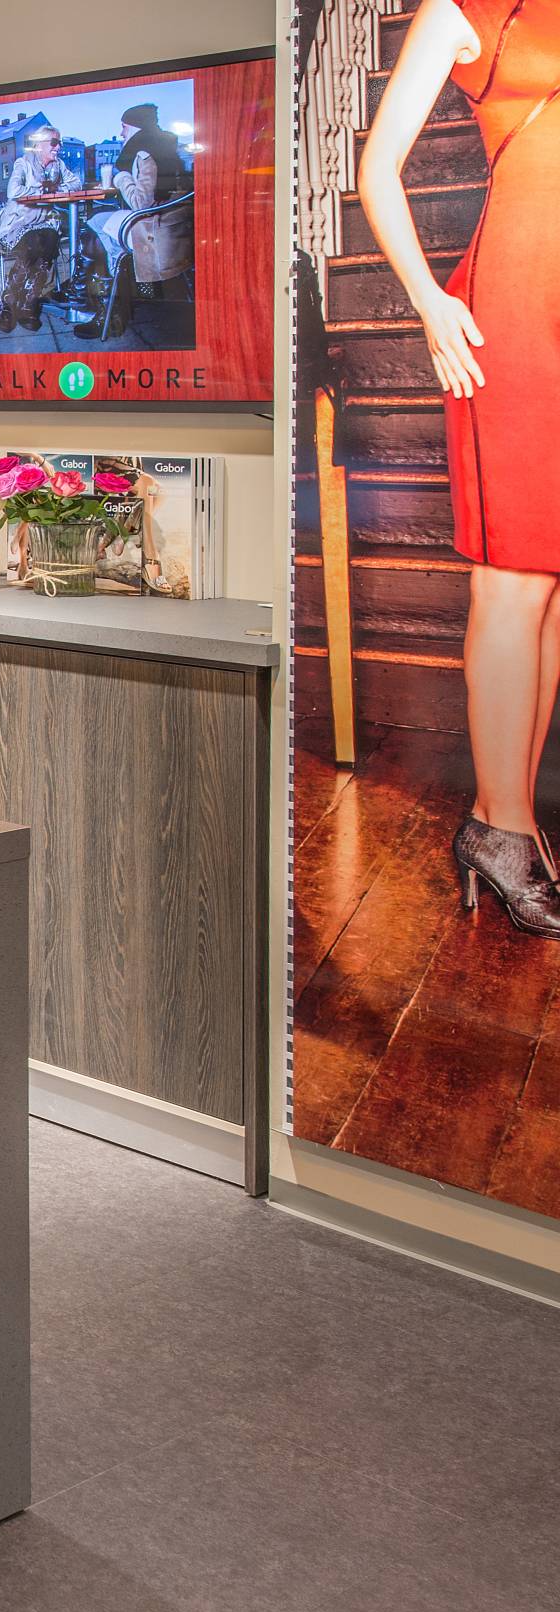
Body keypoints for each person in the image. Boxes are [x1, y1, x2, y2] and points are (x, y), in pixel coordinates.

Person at [359, 0, 560, 936]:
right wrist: (428, 300)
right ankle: (503, 828)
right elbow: (377, 169)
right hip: (515, 304)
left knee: (550, 580)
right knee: (513, 576)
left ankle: (504, 817)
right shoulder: (458, 11)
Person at [76, 101, 193, 340]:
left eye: (124, 128)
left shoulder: (143, 154)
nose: (121, 134)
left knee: (93, 233)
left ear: (136, 128)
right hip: (175, 227)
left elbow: (141, 203)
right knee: (98, 223)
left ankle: (104, 310)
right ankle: (100, 292)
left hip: (155, 231)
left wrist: (121, 178)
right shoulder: (169, 148)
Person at [0, 125, 80, 333]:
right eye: (54, 142)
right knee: (36, 243)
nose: (58, 147)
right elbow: (13, 191)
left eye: (59, 142)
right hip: (19, 221)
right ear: (39, 145)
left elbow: (76, 183)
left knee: (50, 238)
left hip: (43, 221)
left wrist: (58, 188)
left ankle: (28, 301)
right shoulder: (23, 163)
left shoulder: (59, 165)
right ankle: (11, 301)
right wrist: (42, 188)